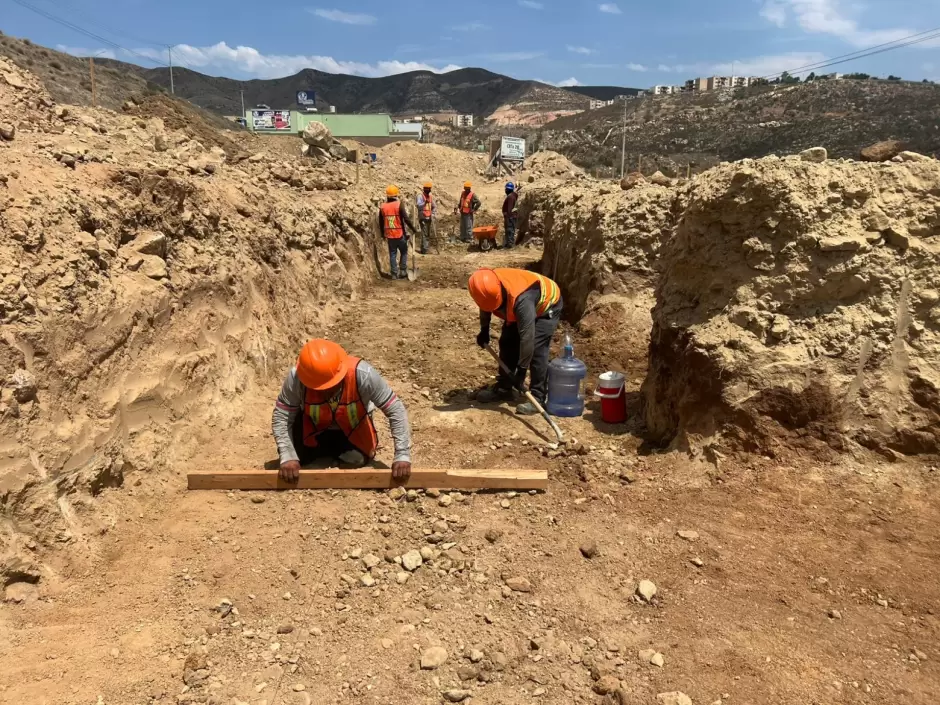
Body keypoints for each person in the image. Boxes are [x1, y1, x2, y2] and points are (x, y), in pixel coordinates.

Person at [272, 338, 412, 482]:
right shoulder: (297, 378)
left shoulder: (363, 374)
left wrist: (402, 455)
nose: (325, 392)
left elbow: (395, 409)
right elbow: (282, 415)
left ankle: (333, 452)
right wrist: (288, 455)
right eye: (319, 388)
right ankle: (317, 452)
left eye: (330, 385)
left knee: (357, 459)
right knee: (295, 460)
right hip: (313, 429)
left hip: (351, 430)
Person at [469, 268, 563, 416]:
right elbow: (485, 305)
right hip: (520, 299)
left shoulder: (521, 301)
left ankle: (538, 397)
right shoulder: (486, 285)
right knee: (507, 341)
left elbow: (527, 338)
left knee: (537, 350)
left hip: (547, 305)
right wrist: (484, 329)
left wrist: (521, 370)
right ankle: (505, 388)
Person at [379, 185, 418, 279]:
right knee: (404, 251)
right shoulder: (399, 205)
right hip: (399, 234)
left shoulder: (383, 207)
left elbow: (381, 222)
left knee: (392, 253)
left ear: (387, 196)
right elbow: (406, 219)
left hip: (389, 235)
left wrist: (382, 234)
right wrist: (413, 229)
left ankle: (394, 274)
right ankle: (403, 270)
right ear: (396, 195)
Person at [416, 180, 436, 255]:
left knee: (427, 233)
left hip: (429, 217)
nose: (428, 190)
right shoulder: (420, 196)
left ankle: (424, 248)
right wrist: (425, 202)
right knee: (424, 233)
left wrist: (433, 214)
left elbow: (434, 206)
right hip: (423, 217)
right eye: (426, 188)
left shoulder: (430, 197)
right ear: (424, 189)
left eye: (429, 189)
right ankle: (424, 249)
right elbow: (418, 205)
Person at [502, 182, 519, 249]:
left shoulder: (510, 197)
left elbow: (510, 208)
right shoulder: (513, 195)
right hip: (512, 216)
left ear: (508, 189)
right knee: (510, 230)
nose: (505, 190)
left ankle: (510, 245)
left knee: (509, 230)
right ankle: (509, 244)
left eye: (506, 189)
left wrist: (508, 216)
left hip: (510, 217)